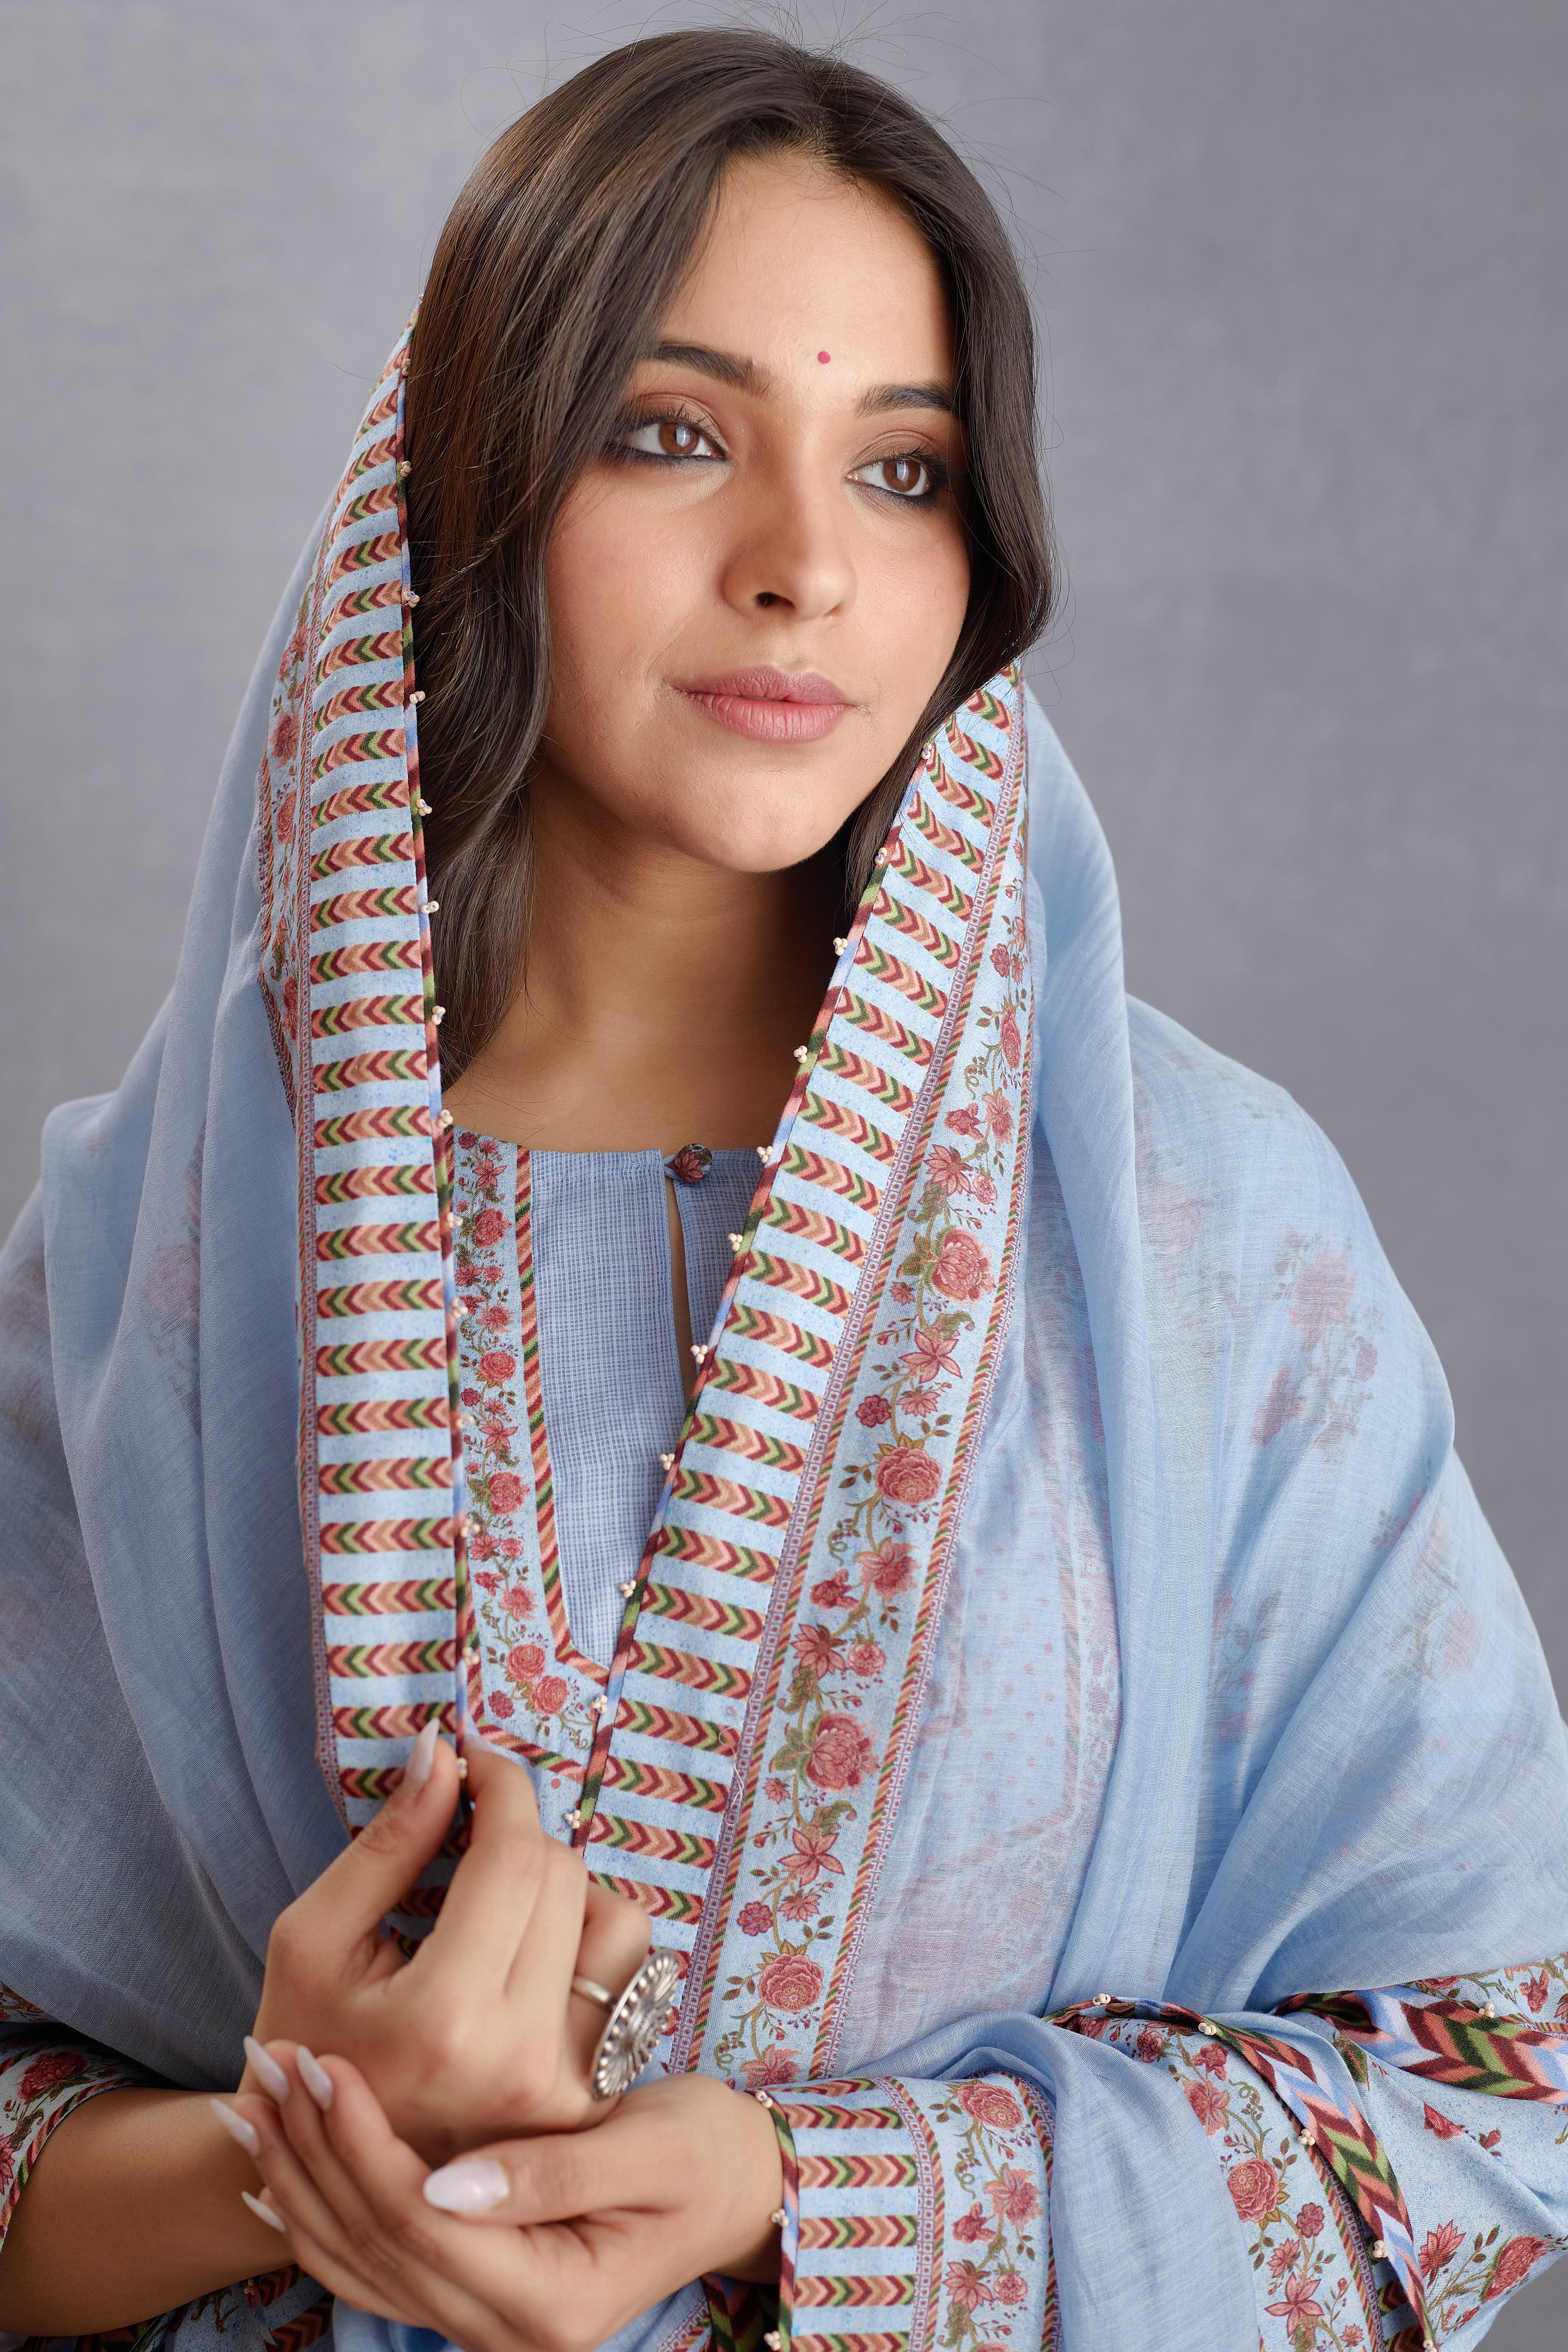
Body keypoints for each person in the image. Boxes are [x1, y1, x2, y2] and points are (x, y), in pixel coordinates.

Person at [1, 29, 1564, 2352]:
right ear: (462, 480)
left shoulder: (1201, 1241)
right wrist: (298, 2148)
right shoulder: (163, 1262)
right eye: (672, 432)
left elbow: (1489, 2086)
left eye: (904, 470)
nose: (807, 567)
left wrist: (789, 2195)